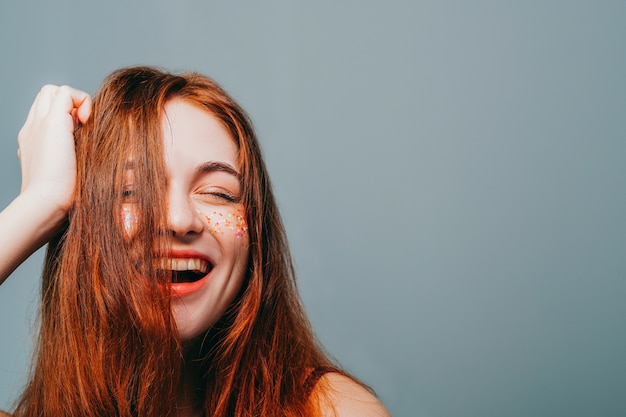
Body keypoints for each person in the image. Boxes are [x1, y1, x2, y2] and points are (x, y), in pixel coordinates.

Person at [0, 66, 390, 417]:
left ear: (256, 234)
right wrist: (41, 202)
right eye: (131, 190)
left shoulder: (330, 410)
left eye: (219, 193)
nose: (178, 219)